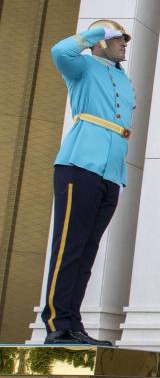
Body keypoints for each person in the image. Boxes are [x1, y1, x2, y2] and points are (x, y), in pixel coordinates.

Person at [41, 20, 135, 346]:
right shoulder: (82, 67)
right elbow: (60, 51)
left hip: (111, 173)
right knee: (69, 247)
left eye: (124, 39)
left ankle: (73, 323)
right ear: (100, 42)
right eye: (117, 38)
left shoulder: (122, 77)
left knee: (86, 251)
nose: (124, 43)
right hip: (79, 165)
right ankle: (56, 322)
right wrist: (97, 33)